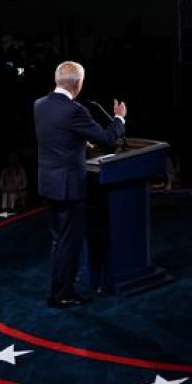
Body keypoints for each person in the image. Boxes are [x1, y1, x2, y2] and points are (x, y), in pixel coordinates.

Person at [34, 61, 127, 308]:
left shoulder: (40, 105)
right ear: (79, 83)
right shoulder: (75, 110)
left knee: (59, 240)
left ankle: (56, 291)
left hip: (48, 183)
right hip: (68, 187)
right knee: (70, 242)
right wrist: (119, 118)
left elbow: (58, 137)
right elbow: (107, 138)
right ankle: (63, 294)